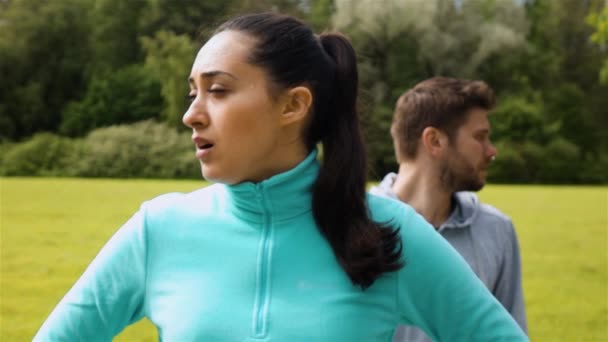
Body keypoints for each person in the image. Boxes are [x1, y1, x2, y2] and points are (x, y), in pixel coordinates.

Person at [34, 13, 527, 341]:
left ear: (293, 104)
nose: (192, 115)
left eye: (218, 91)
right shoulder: (156, 230)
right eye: (193, 94)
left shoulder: (386, 232)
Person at [370, 77, 527, 342]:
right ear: (434, 141)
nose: (492, 151)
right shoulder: (353, 226)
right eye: (480, 137)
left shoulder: (497, 230)